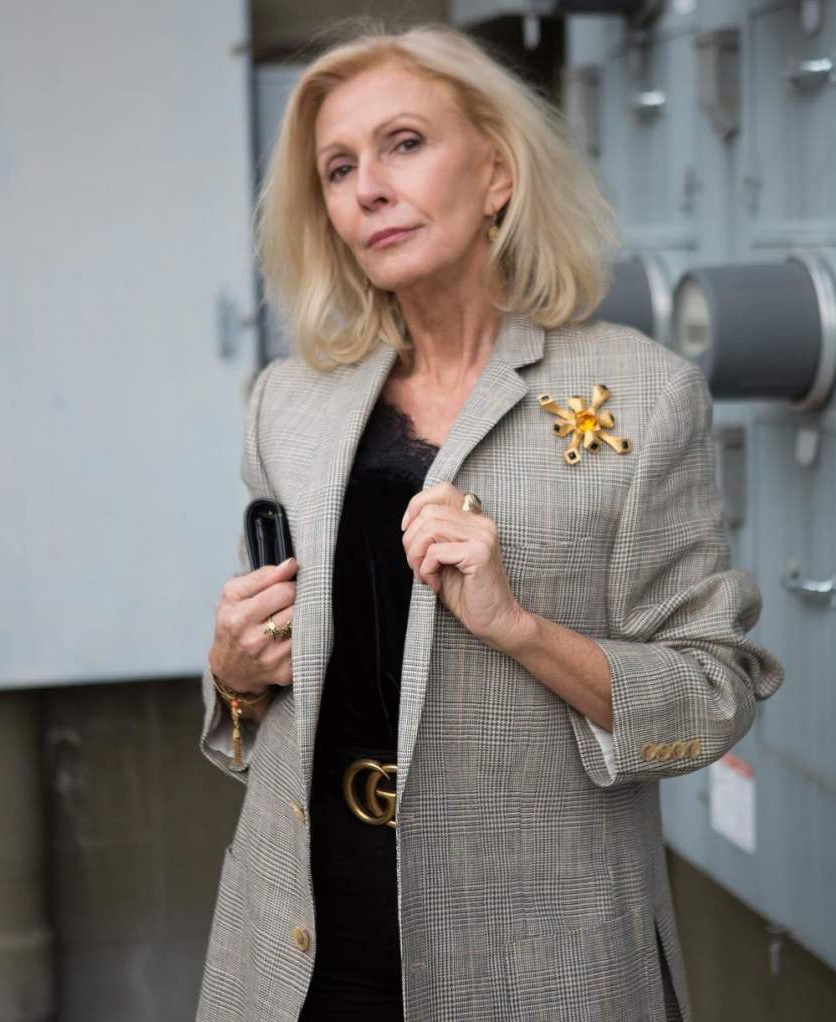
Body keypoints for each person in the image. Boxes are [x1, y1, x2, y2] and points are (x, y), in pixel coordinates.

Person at [195, 21, 783, 1022]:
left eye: (404, 144)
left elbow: (711, 691)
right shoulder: (287, 404)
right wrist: (233, 675)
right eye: (339, 168)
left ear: (498, 173)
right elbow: (271, 695)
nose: (369, 188)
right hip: (299, 949)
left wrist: (520, 627)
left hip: (538, 958)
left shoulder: (644, 393)